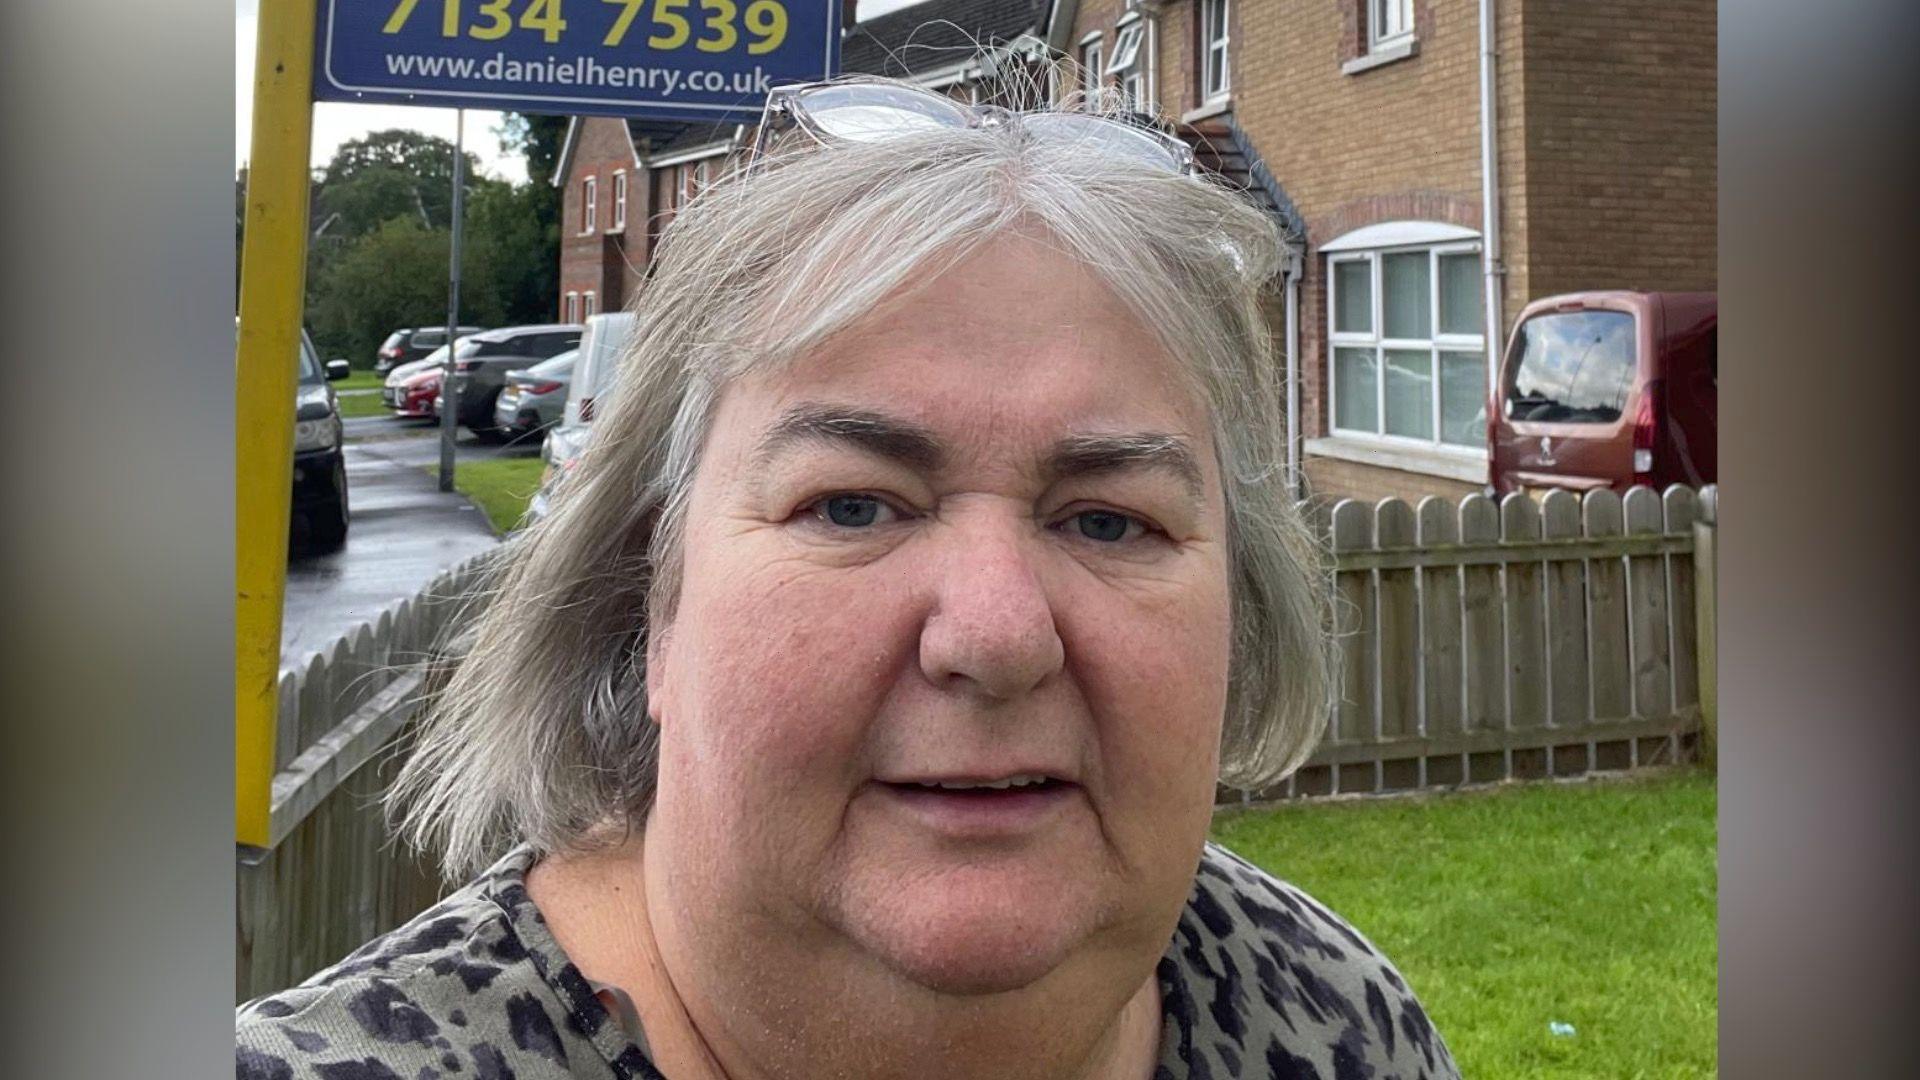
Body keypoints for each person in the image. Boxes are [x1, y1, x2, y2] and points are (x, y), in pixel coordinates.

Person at [237, 77, 1459, 1080]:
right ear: (651, 600)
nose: (995, 632)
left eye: (1108, 521)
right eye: (853, 505)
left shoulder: (1343, 1023)